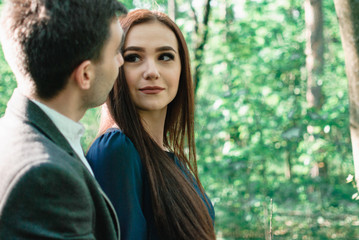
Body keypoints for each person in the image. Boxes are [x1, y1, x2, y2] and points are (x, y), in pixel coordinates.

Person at [0, 0, 127, 239]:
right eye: (115, 52)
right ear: (85, 74)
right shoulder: (46, 177)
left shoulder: (12, 134)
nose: (121, 61)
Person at [86, 9, 216, 240]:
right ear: (114, 67)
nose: (152, 72)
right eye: (133, 57)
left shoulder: (173, 160)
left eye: (165, 57)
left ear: (181, 68)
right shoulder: (116, 150)